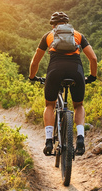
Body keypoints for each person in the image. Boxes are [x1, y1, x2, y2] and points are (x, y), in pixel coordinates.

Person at [28, 11, 97, 156]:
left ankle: (48, 140)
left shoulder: (48, 36)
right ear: (67, 23)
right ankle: (80, 137)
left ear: (53, 25)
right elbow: (93, 59)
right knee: (78, 105)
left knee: (49, 105)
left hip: (55, 71)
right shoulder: (78, 35)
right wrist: (92, 76)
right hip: (76, 72)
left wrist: (32, 76)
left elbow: (35, 61)